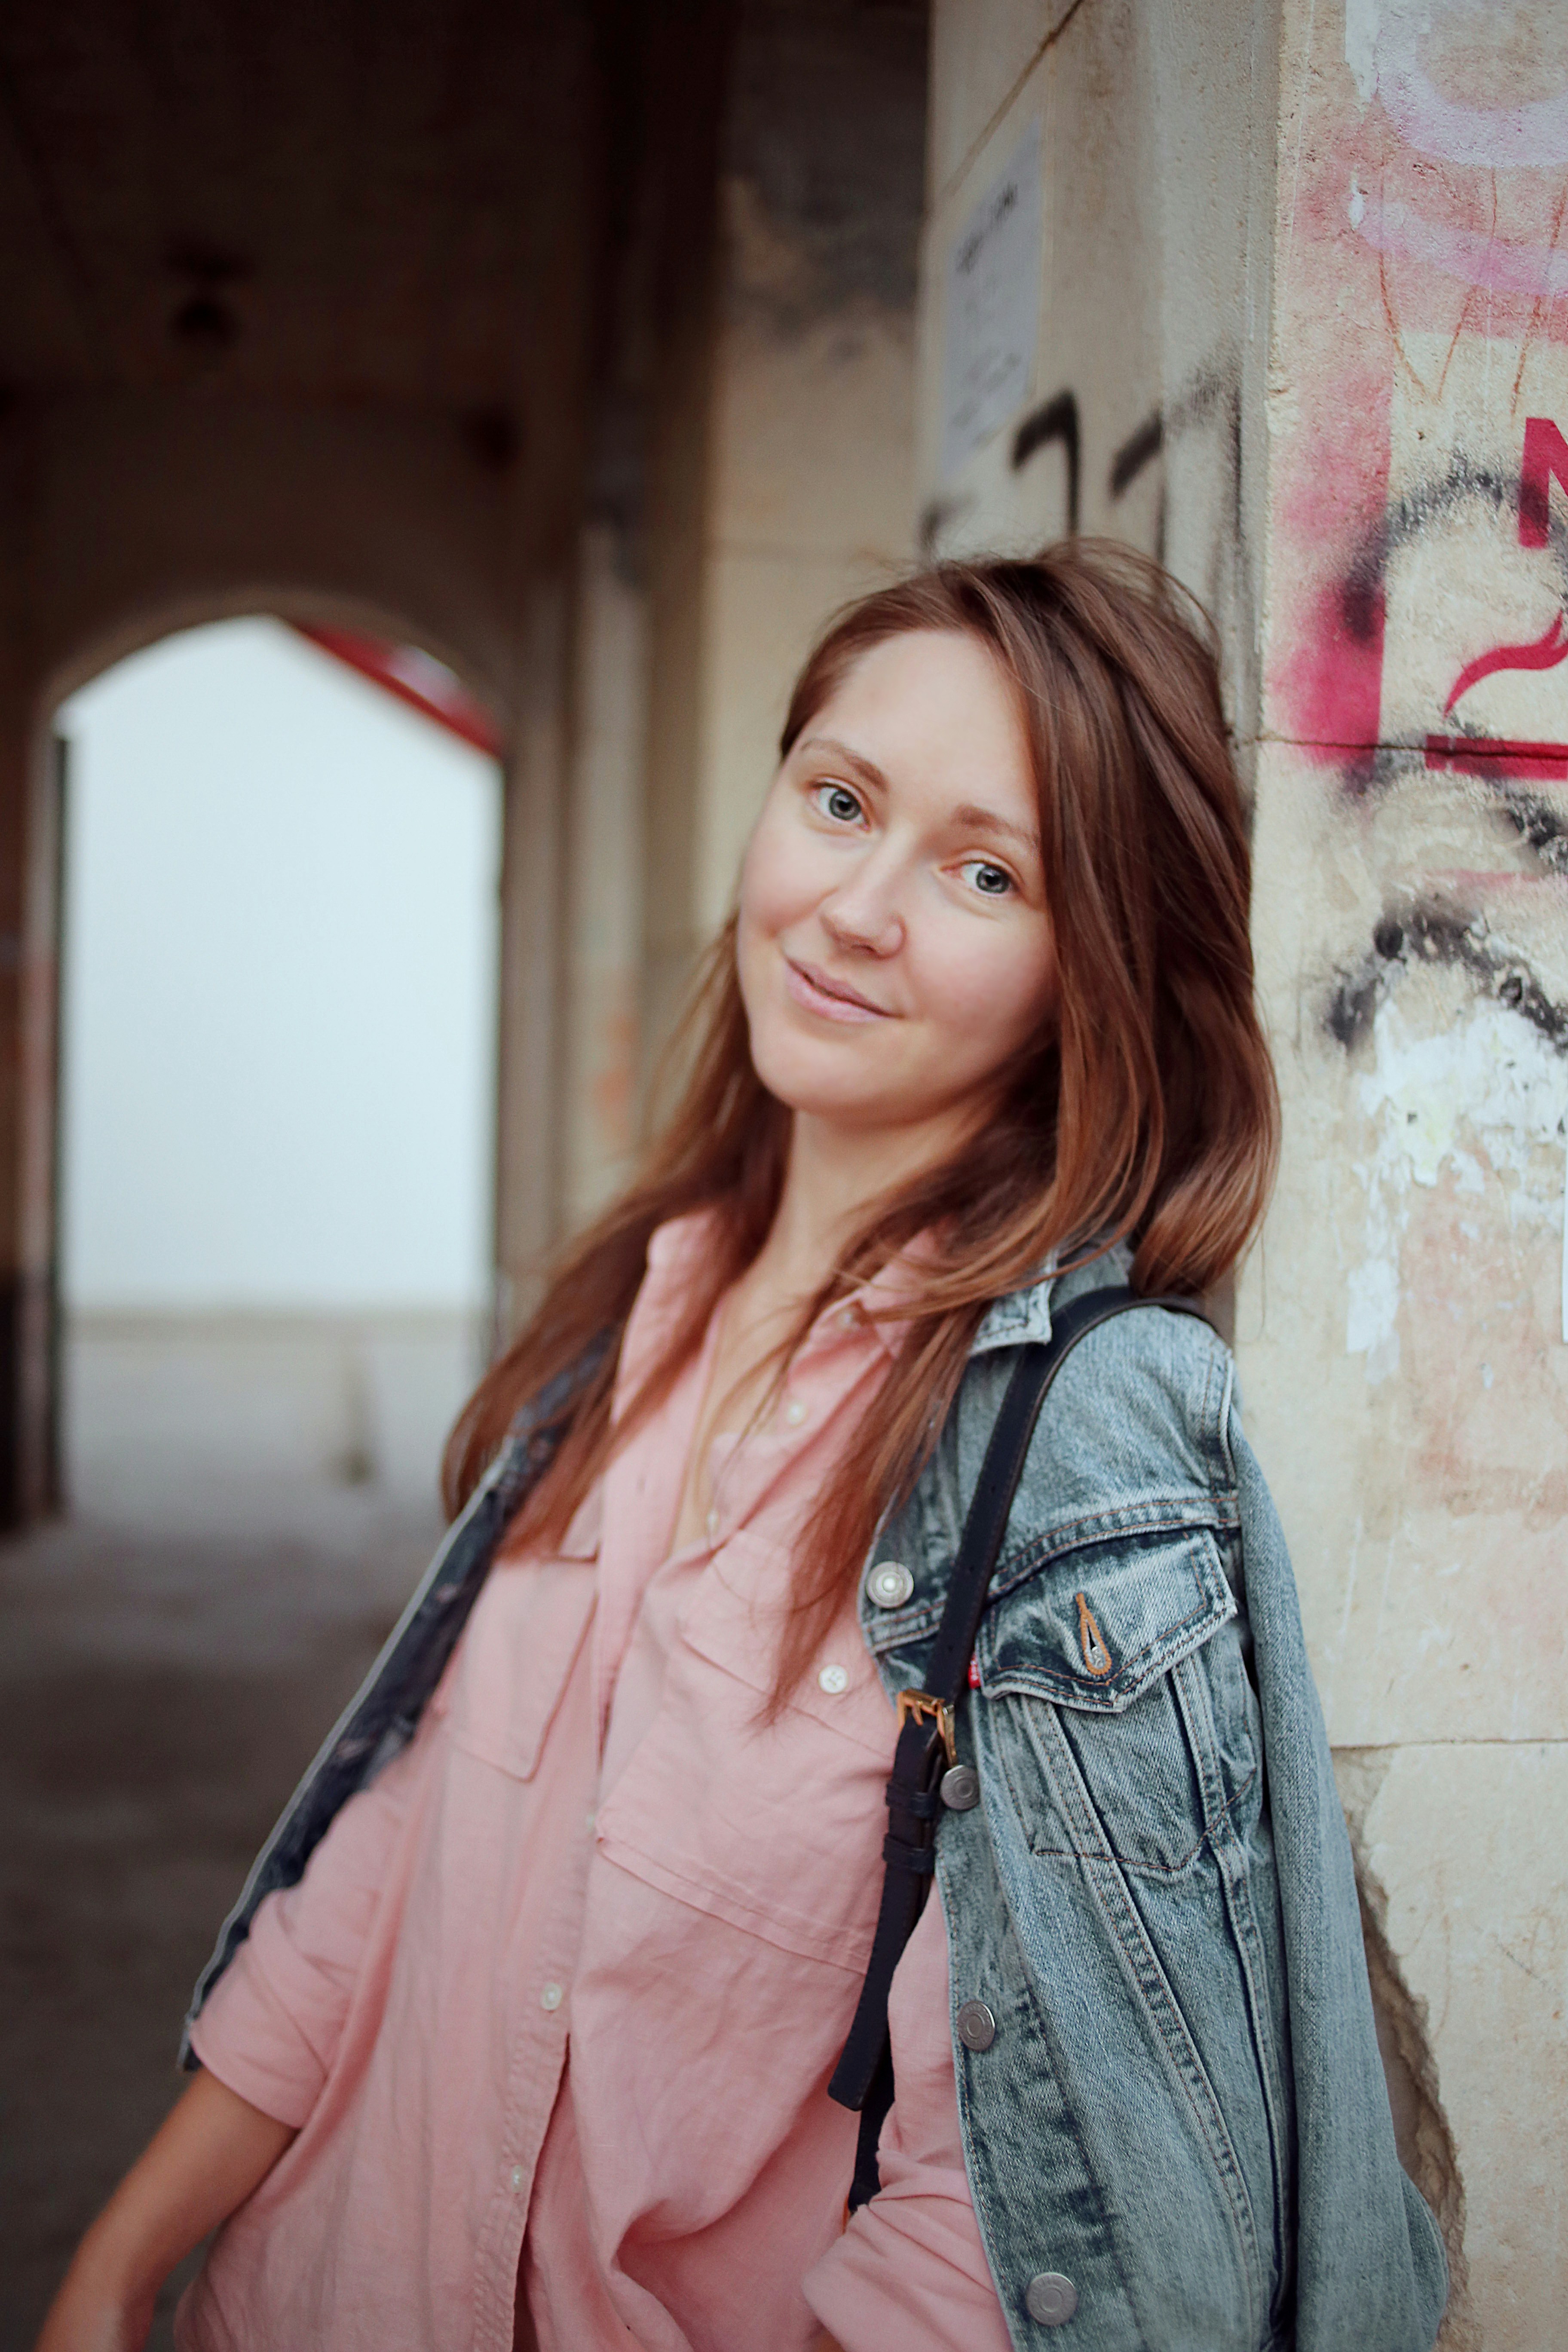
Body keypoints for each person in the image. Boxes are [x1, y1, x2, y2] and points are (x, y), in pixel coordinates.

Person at [37, 543, 1447, 2352]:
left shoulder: (1072, 1442)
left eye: (984, 869)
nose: (860, 906)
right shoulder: (649, 1289)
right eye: (840, 800)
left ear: (1085, 969)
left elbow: (1020, 2204)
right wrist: (119, 2254)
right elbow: (409, 1850)